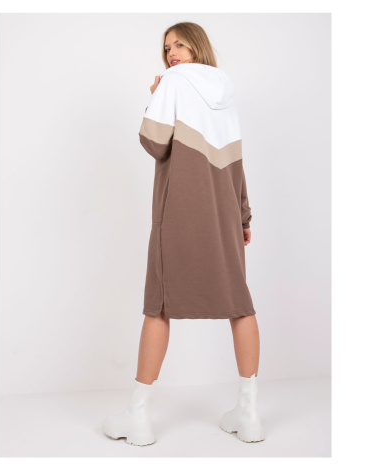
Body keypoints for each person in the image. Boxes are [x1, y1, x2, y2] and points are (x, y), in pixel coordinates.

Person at [103, 22, 265, 446]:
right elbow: (236, 159)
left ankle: (138, 417)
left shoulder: (173, 82)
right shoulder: (224, 89)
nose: (171, 53)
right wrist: (243, 217)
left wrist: (155, 95)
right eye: (166, 48)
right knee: (239, 305)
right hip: (224, 214)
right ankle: (249, 415)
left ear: (196, 45)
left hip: (179, 213)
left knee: (158, 305)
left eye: (179, 44)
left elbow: (154, 143)